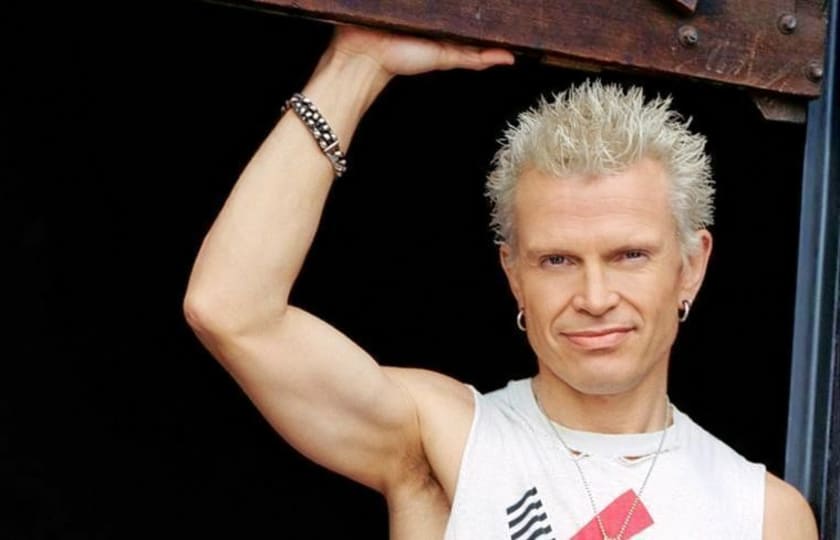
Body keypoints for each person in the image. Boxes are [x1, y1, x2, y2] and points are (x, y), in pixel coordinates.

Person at [183, 24, 818, 539]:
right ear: (513, 273)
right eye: (557, 261)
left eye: (629, 255)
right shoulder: (444, 440)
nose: (595, 299)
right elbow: (231, 309)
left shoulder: (762, 515)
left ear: (690, 266)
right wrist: (357, 63)